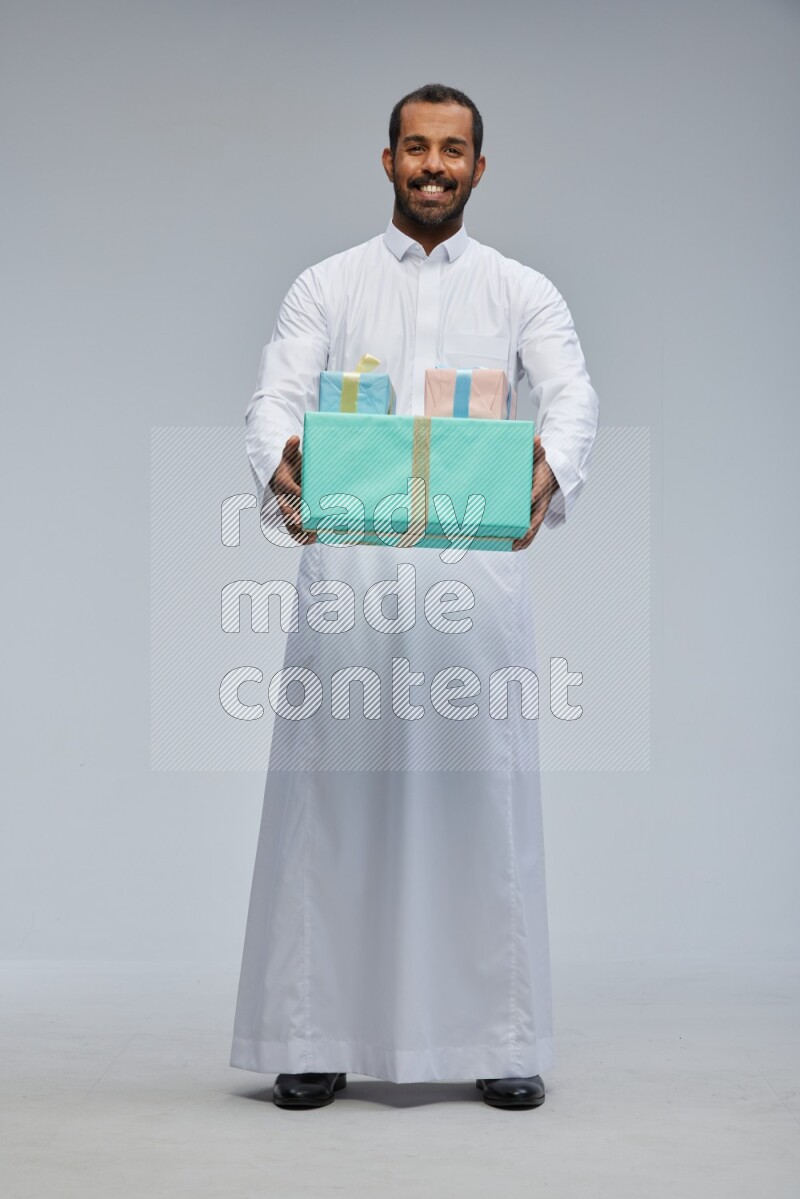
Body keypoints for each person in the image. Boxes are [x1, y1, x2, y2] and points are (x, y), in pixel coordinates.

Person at [230, 83, 599, 1110]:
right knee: (335, 801)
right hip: (349, 579)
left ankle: (497, 1034)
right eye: (416, 147)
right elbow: (274, 392)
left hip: (471, 585)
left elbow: (570, 393)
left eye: (453, 149)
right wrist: (279, 457)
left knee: (477, 800)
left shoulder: (521, 290)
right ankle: (313, 1033)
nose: (434, 165)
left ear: (478, 167)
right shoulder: (327, 284)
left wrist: (551, 466)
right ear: (387, 159)